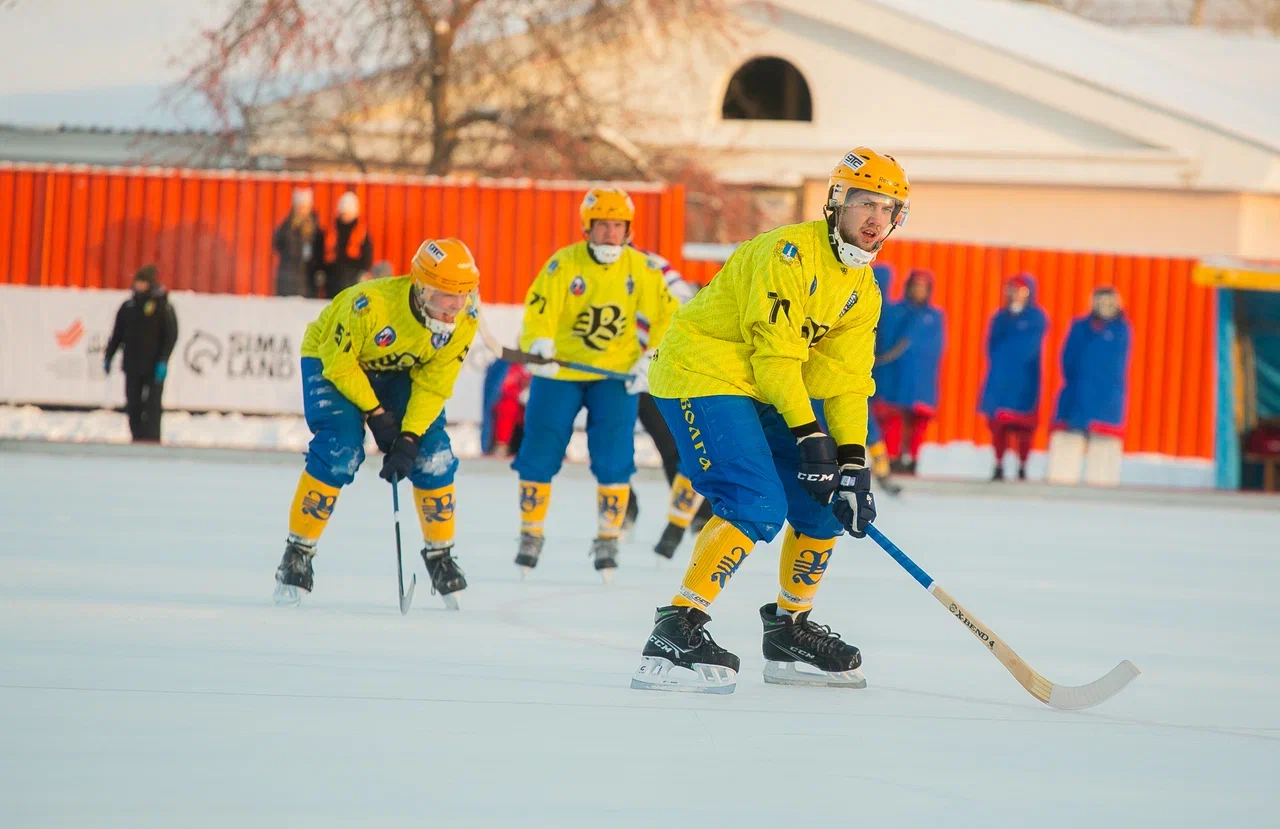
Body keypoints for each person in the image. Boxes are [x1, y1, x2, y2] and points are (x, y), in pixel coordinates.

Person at [630, 147, 907, 695]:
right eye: (864, 203)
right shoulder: (788, 254)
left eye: (889, 208)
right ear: (835, 203)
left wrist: (852, 461)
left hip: (761, 385)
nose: (876, 218)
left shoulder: (863, 288)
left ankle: (789, 629)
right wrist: (811, 439)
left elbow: (848, 383)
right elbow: (777, 360)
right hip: (702, 372)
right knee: (756, 501)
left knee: (827, 501)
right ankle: (676, 625)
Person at [273, 239, 480, 608]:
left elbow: (434, 384)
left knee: (434, 454)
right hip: (334, 360)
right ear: (421, 287)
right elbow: (339, 364)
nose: (455, 306)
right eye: (446, 294)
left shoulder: (464, 319)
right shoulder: (368, 305)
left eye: (463, 294)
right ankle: (297, 552)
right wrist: (376, 413)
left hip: (399, 369)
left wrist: (411, 437)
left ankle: (440, 555)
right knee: (341, 450)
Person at [511, 187, 678, 581]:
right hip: (561, 372)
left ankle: (608, 536)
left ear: (628, 229)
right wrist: (538, 342)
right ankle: (530, 533)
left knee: (614, 456)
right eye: (602, 224)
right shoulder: (563, 263)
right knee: (540, 449)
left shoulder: (643, 269)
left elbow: (668, 317)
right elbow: (540, 308)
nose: (609, 233)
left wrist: (652, 355)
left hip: (615, 375)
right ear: (588, 227)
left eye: (617, 225)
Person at [639, 249, 716, 560]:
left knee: (684, 451)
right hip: (637, 376)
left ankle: (687, 519)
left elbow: (681, 304)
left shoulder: (652, 266)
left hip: (677, 373)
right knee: (670, 450)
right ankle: (687, 516)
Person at [1047, 286, 1132, 487]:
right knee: (1063, 460)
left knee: (1102, 468)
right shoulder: (1080, 327)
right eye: (1100, 301)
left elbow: (1111, 365)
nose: (1105, 306)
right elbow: (1067, 360)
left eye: (1110, 302)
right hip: (1074, 400)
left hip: (1106, 404)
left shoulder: (1120, 330)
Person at [871, 267, 945, 475]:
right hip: (894, 373)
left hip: (921, 377)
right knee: (892, 417)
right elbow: (885, 340)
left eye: (923, 287)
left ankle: (912, 458)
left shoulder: (934, 316)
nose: (919, 291)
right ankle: (892, 457)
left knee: (919, 420)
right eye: (916, 286)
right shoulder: (895, 312)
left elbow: (935, 348)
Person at [978, 273, 1048, 481]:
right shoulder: (1000, 318)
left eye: (1021, 291)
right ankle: (998, 464)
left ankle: (1022, 466)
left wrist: (1006, 351)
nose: (1016, 295)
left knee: (1023, 427)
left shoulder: (1036, 318)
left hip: (1025, 381)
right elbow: (991, 347)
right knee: (1000, 426)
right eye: (1012, 290)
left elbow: (1026, 347)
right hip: (1001, 380)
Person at [103, 265, 178, 443]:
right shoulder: (128, 307)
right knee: (133, 404)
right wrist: (109, 355)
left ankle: (152, 441)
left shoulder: (162, 307)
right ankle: (137, 439)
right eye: (137, 282)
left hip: (153, 366)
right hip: (132, 364)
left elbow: (171, 335)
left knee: (152, 405)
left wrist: (163, 360)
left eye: (142, 282)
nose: (138, 286)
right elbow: (118, 334)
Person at [272, 187, 325, 297]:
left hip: (308, 282)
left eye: (304, 207)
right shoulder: (286, 227)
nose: (301, 211)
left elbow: (320, 255)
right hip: (287, 279)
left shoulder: (316, 230)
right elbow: (277, 244)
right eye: (299, 207)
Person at [321, 191, 374, 298]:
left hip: (353, 279)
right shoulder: (331, 230)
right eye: (343, 212)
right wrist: (321, 271)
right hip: (332, 279)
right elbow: (321, 252)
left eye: (347, 212)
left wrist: (364, 272)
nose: (345, 215)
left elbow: (367, 254)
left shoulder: (361, 232)